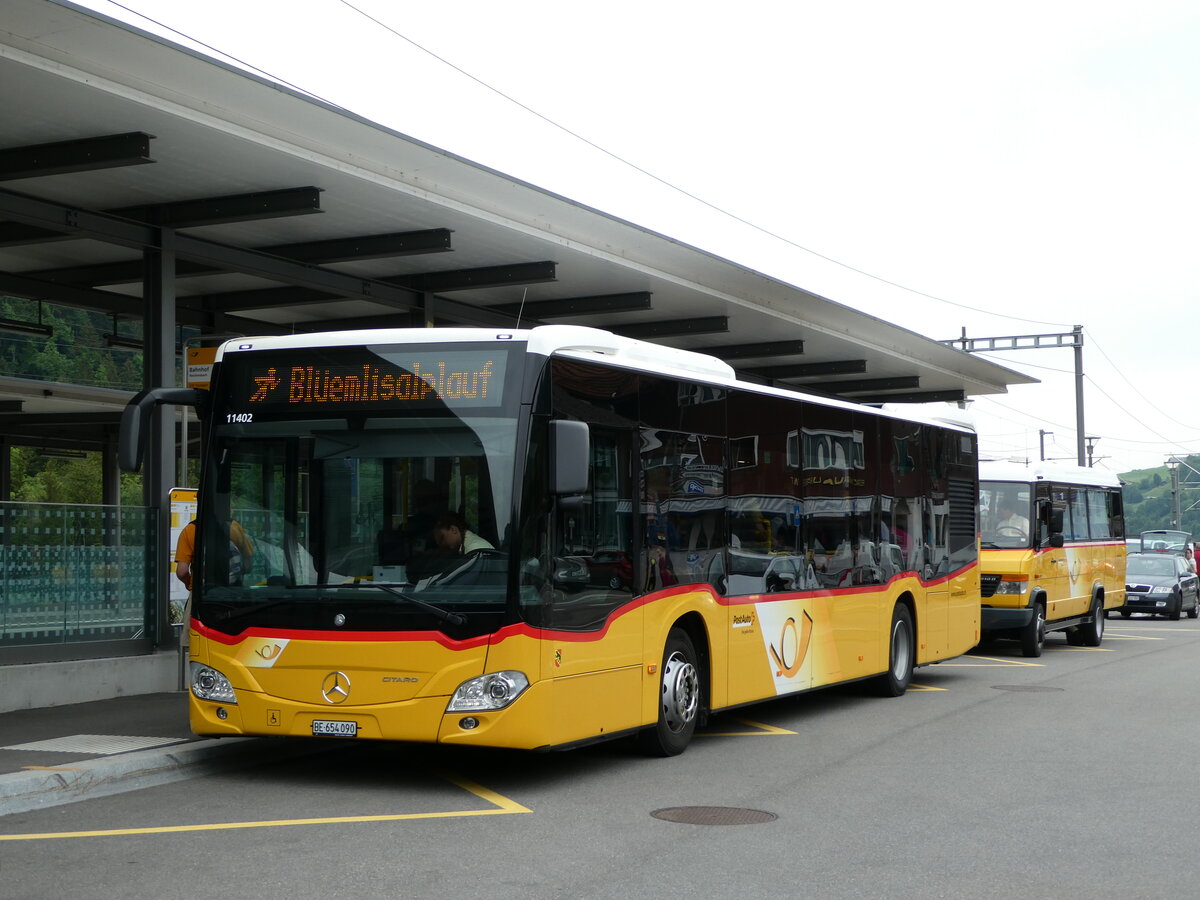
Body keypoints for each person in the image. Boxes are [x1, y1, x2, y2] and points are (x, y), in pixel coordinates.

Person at [174, 518, 253, 590]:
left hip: (203, 593)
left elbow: (182, 572)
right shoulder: (234, 526)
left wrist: (191, 584)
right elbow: (248, 566)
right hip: (233, 592)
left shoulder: (190, 529)